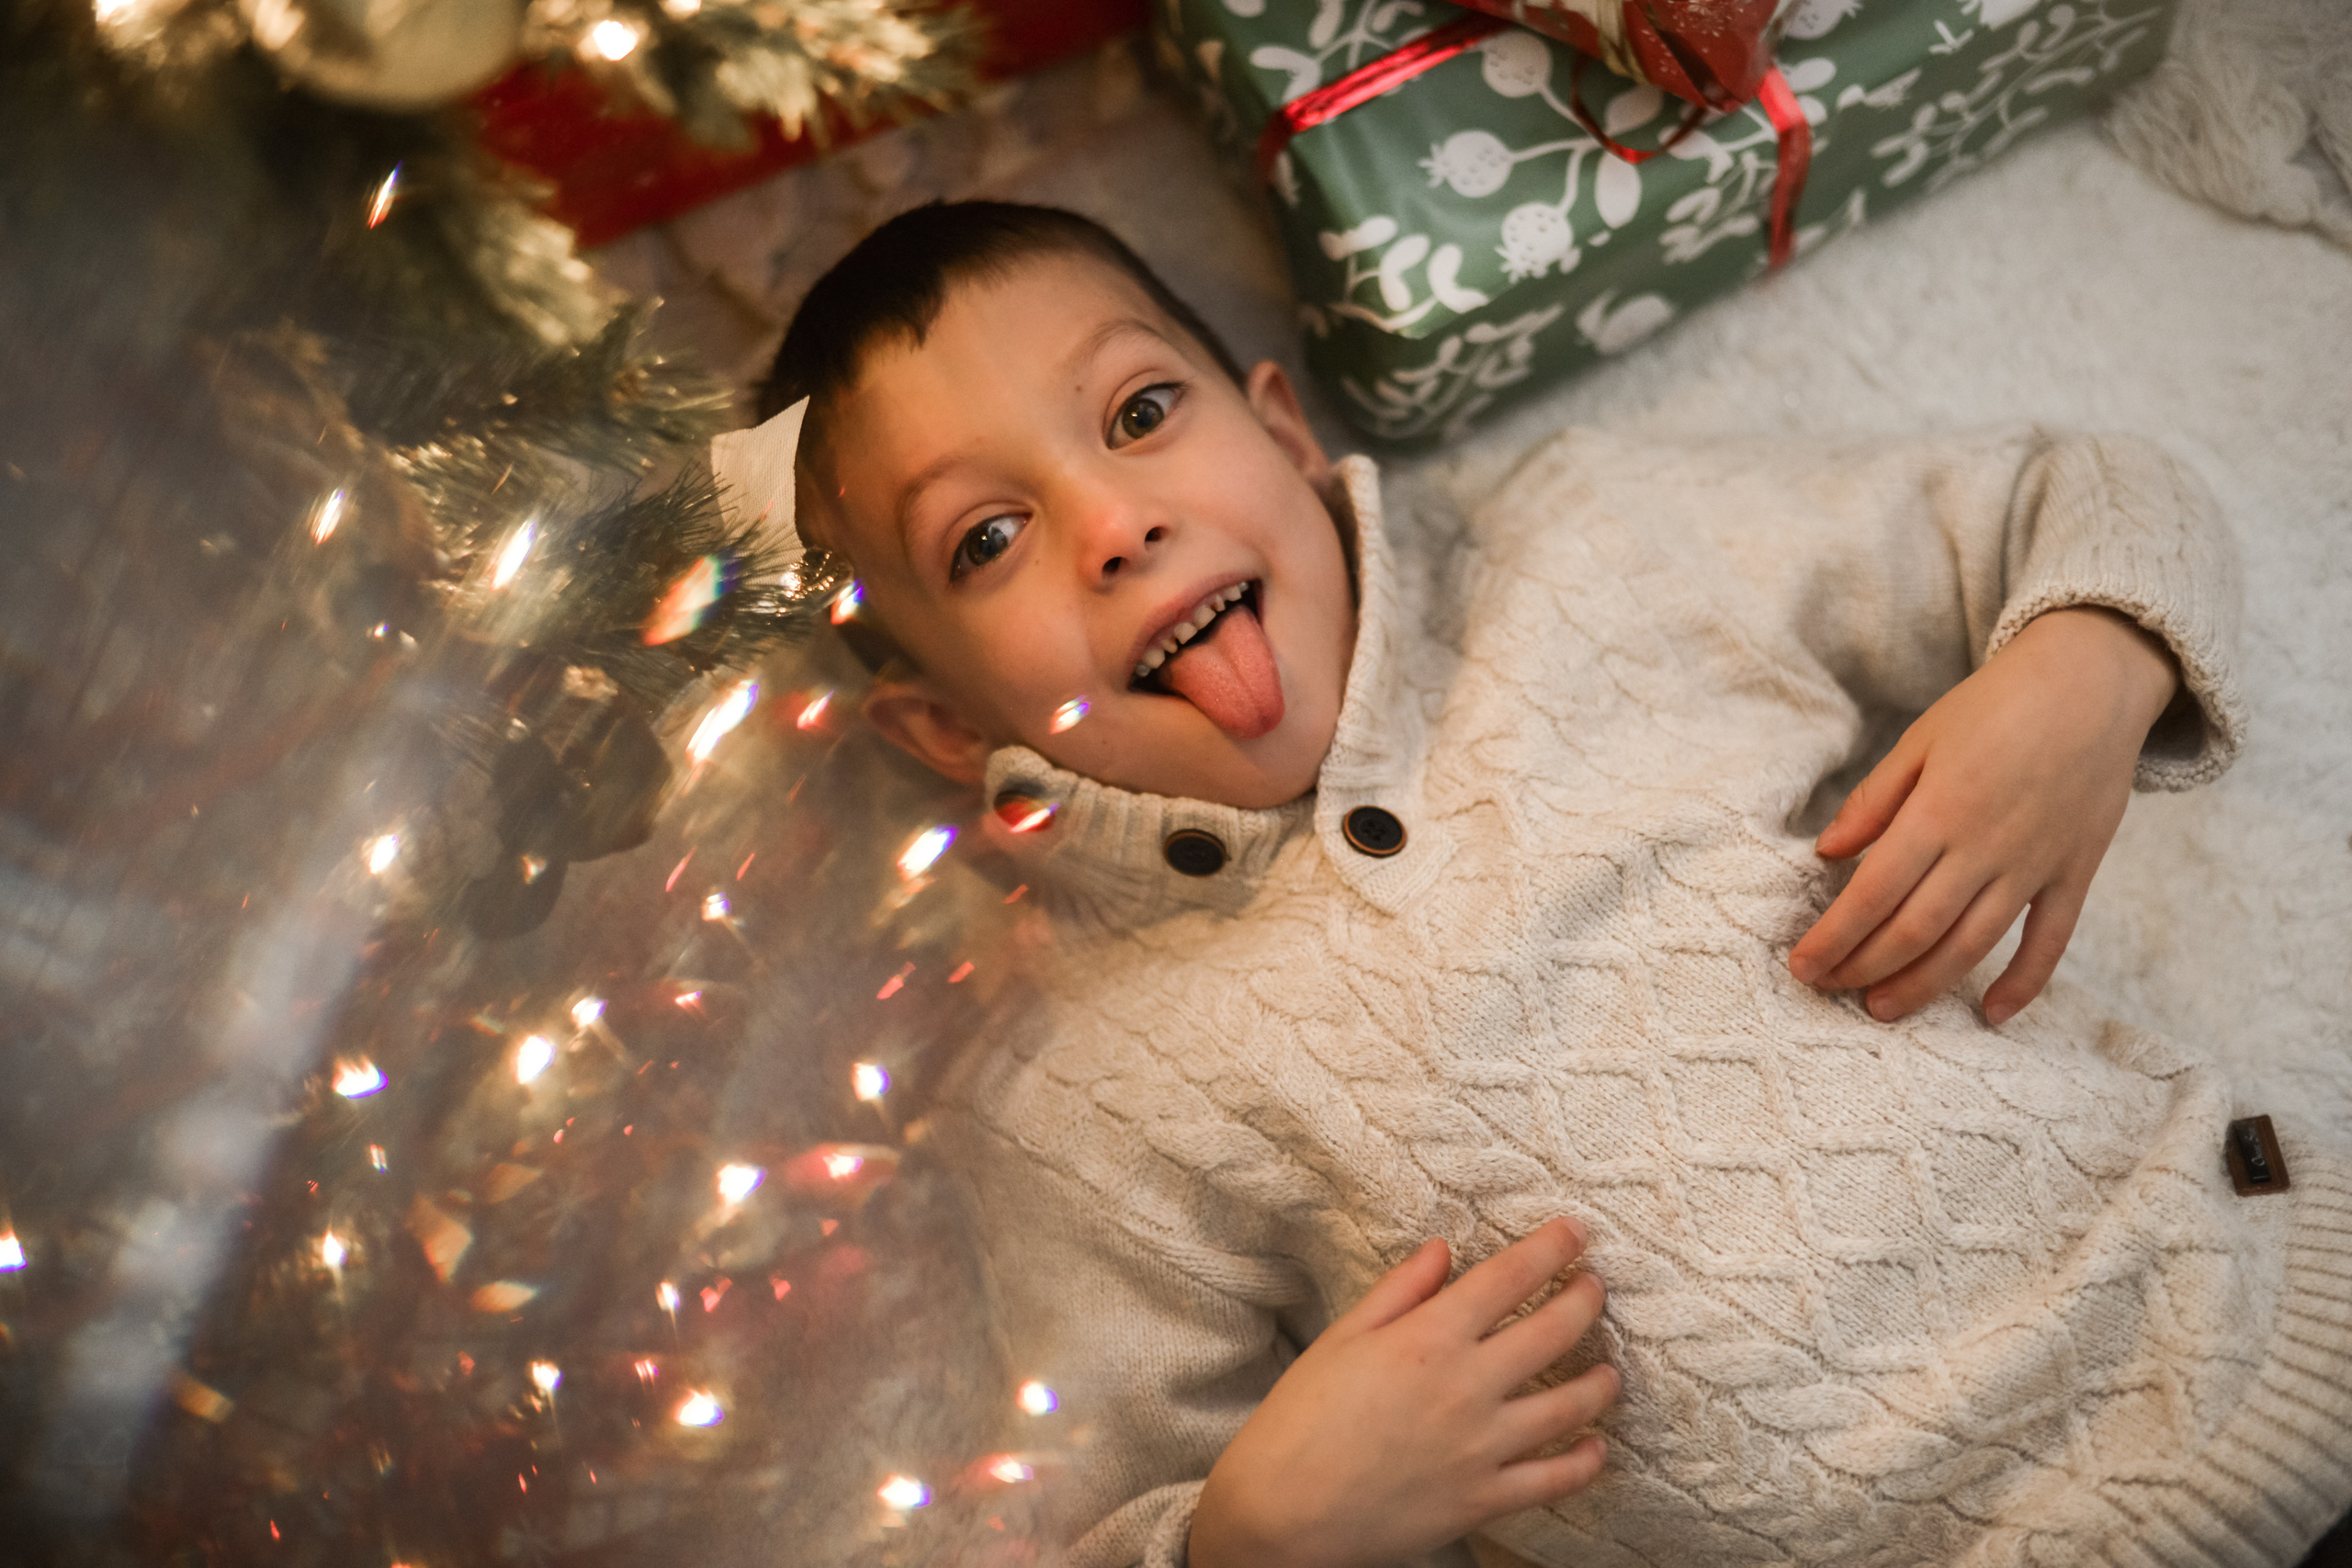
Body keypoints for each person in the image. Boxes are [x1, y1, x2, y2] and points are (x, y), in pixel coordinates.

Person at [721, 200, 2352, 1568]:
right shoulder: (1073, 1093)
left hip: (2263, 1329)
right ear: (945, 726)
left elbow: (2088, 491)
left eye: (1141, 415)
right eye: (985, 541)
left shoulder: (1589, 547)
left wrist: (2083, 670)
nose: (1115, 524)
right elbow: (1105, 1504)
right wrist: (1251, 1536)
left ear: (1285, 435)